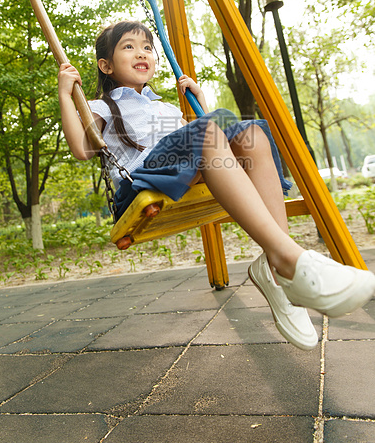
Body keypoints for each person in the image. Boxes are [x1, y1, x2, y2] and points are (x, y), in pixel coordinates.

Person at [58, 20, 375, 351]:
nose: (142, 53)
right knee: (211, 128)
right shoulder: (101, 107)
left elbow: (210, 142)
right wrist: (66, 93)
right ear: (105, 65)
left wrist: (202, 104)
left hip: (180, 169)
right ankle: (289, 262)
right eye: (128, 46)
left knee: (250, 133)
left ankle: (276, 265)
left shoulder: (162, 108)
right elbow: (82, 149)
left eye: (148, 47)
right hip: (142, 180)